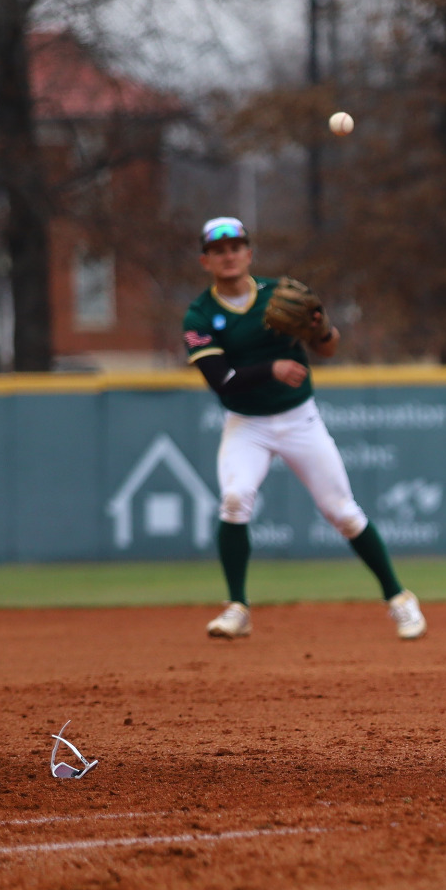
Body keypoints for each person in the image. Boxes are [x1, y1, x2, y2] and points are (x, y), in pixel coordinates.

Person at [183, 216, 426, 641]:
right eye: (218, 250)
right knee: (236, 498)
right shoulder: (200, 314)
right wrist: (270, 367)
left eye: (236, 247)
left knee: (342, 513)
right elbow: (220, 379)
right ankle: (237, 607)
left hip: (299, 419)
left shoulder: (279, 293)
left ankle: (400, 599)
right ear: (206, 260)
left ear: (248, 254)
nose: (229, 255)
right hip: (247, 424)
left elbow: (327, 348)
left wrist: (321, 328)